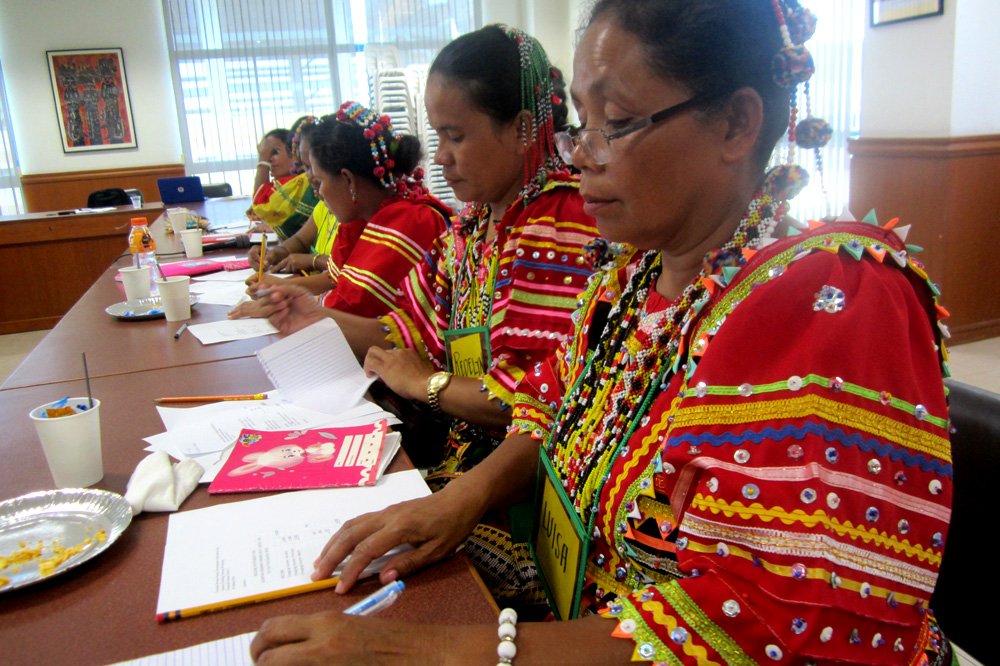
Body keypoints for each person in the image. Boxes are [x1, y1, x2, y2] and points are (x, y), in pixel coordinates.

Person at [250, 2, 955, 665]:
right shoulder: (628, 283)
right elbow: (547, 409)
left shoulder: (829, 298)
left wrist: (437, 652)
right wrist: (458, 502)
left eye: (614, 122)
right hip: (584, 608)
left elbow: (773, 627)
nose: (580, 154)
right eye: (579, 123)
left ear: (737, 124)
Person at [257, 25, 601, 489]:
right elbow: (405, 332)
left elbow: (530, 402)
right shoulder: (470, 228)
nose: (440, 157)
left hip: (518, 488)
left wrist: (426, 385)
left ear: (521, 129)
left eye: (455, 136)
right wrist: (314, 318)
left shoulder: (564, 225)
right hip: (458, 459)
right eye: (438, 136)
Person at [232, 103, 451, 319]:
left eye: (318, 181)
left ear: (348, 179)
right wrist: (282, 291)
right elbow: (339, 282)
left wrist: (282, 306)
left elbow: (351, 306)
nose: (317, 193)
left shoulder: (409, 222)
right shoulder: (365, 216)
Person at [247, 120, 341, 297]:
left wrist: (312, 262)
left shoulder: (352, 209)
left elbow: (346, 274)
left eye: (312, 167)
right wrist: (274, 254)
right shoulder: (324, 203)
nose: (309, 176)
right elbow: (300, 240)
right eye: (305, 167)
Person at [248, 116, 321, 240]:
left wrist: (263, 161)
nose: (269, 159)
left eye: (274, 152)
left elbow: (260, 203)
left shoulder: (306, 185)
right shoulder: (292, 186)